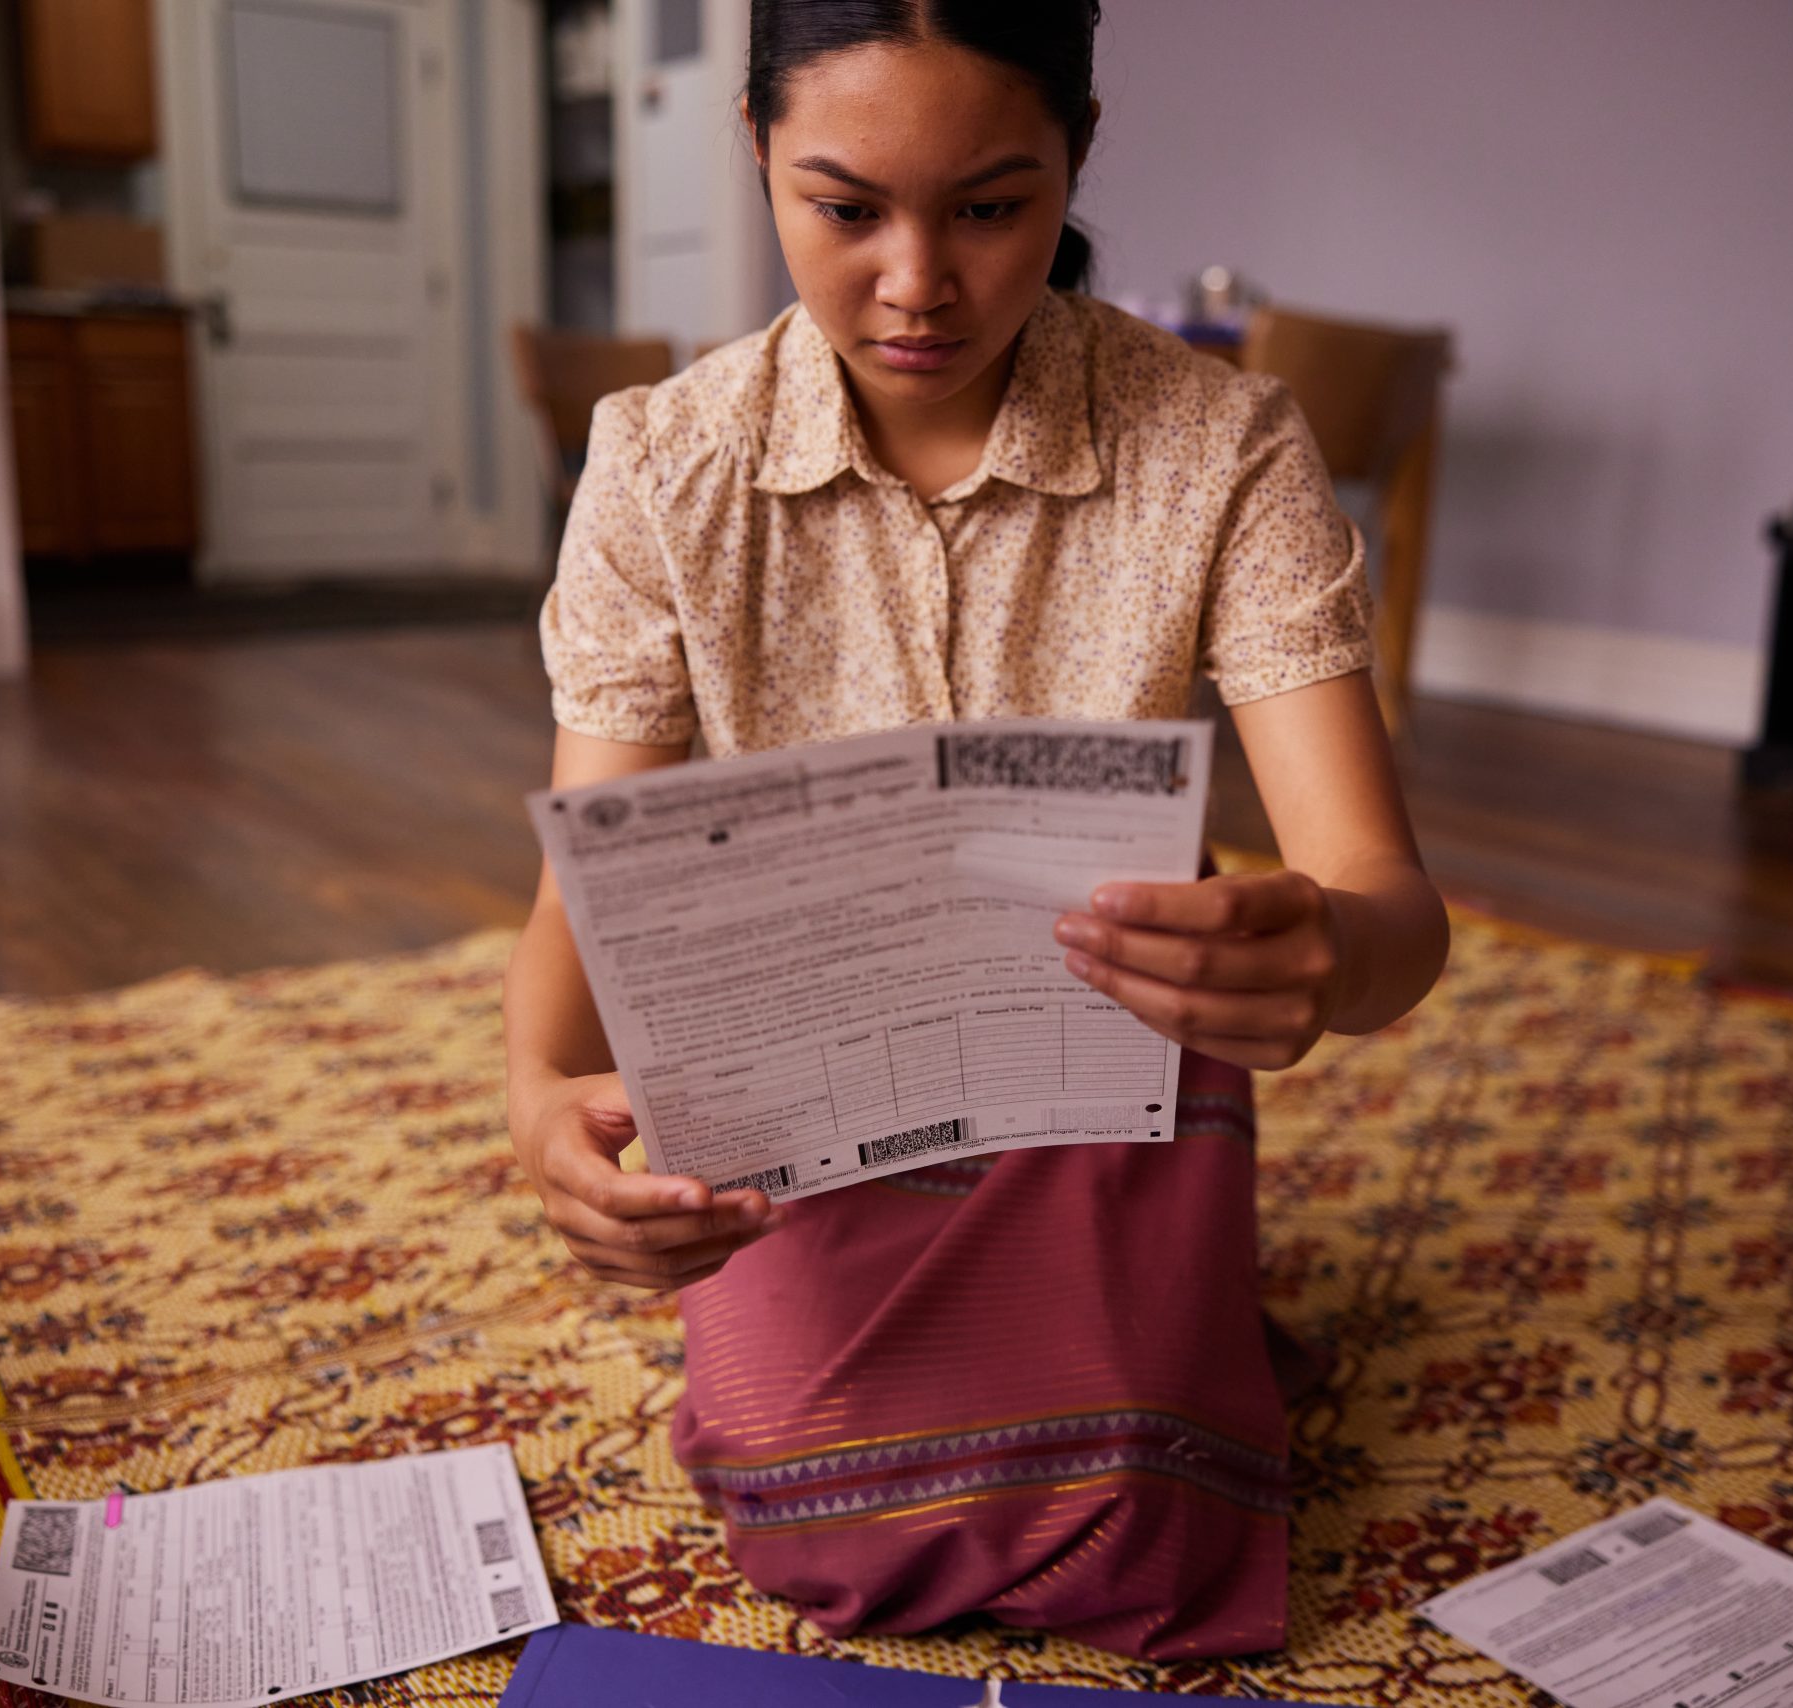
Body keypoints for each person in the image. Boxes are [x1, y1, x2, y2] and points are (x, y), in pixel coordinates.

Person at [504, 0, 1448, 1660]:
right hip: (804, 1072)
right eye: (845, 206)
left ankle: (1168, 1304)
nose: (918, 284)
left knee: (1147, 1519)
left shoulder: (1223, 448)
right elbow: (594, 867)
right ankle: (1171, 1317)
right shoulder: (662, 467)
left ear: (1080, 146)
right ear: (755, 152)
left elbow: (1383, 901)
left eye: (993, 207)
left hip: (1110, 1051)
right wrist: (537, 1104)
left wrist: (1329, 953)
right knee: (817, 1515)